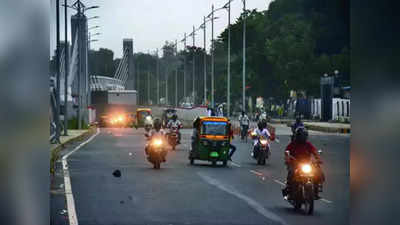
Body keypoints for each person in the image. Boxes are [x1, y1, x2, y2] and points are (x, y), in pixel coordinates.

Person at [283, 127, 325, 199]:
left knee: (318, 172)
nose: (303, 137)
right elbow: (287, 153)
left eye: (304, 135)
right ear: (298, 136)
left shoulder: (308, 144)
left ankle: (316, 189)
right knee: (291, 173)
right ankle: (289, 190)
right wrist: (288, 159)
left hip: (307, 164)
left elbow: (314, 152)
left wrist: (318, 159)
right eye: (302, 135)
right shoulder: (292, 144)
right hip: (295, 164)